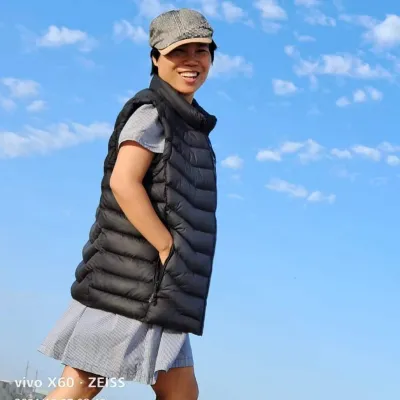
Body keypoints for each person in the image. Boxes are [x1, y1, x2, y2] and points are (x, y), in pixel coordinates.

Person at [37, 7, 218, 400]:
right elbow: (124, 182)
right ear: (156, 58)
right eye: (178, 51)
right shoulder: (152, 113)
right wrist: (167, 247)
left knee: (181, 394)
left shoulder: (187, 121)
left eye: (201, 50)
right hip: (131, 284)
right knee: (77, 391)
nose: (191, 60)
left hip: (162, 287)